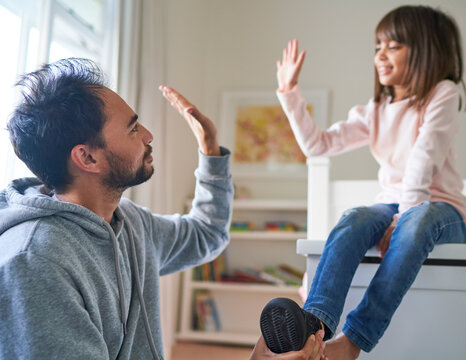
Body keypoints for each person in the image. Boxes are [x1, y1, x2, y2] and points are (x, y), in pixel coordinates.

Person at [0, 58, 325, 360]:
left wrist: (211, 153)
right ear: (87, 158)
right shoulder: (35, 263)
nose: (148, 136)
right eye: (132, 128)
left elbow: (205, 234)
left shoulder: (129, 222)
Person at [260, 5, 466, 360]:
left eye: (393, 46)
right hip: (395, 206)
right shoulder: (377, 109)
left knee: (417, 220)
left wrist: (402, 218)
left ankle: (353, 341)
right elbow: (319, 145)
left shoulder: (443, 93)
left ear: (425, 51)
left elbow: (424, 158)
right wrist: (289, 91)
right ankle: (313, 330)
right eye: (378, 47)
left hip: (441, 209)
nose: (381, 56)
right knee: (354, 217)